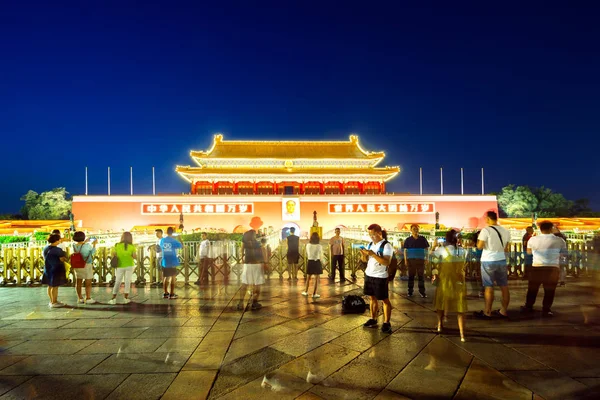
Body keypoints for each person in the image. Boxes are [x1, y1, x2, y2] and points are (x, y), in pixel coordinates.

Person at [521, 221, 568, 317]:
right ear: (551, 229)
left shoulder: (533, 240)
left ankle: (529, 306)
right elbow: (563, 254)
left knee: (533, 289)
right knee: (549, 290)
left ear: (540, 229)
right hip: (552, 268)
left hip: (537, 266)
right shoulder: (560, 240)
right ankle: (546, 309)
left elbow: (529, 253)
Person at [431, 229, 467, 342]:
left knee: (440, 302)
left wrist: (433, 246)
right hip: (459, 281)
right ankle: (462, 334)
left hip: (445, 280)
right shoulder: (462, 251)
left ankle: (439, 325)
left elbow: (433, 261)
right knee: (460, 307)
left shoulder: (442, 250)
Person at [474, 211, 511, 319]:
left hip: (488, 260)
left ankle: (487, 312)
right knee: (504, 286)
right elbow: (506, 248)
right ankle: (503, 311)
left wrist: (478, 243)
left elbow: (480, 246)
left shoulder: (486, 230)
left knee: (489, 286)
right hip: (501, 260)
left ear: (488, 218)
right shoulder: (505, 231)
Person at [361, 224, 393, 334]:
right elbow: (365, 261)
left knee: (384, 300)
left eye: (373, 234)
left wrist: (373, 254)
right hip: (369, 274)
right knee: (371, 298)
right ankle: (373, 319)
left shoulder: (386, 245)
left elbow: (386, 262)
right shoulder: (370, 244)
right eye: (369, 234)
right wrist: (364, 255)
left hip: (380, 276)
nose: (371, 237)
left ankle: (386, 323)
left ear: (379, 233)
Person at [238, 228, 264, 310]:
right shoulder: (257, 243)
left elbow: (241, 250)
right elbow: (261, 251)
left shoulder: (245, 240)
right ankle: (254, 302)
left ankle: (240, 302)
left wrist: (242, 258)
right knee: (257, 284)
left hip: (248, 264)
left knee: (245, 283)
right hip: (256, 264)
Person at [109, 232, 137, 304]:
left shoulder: (117, 245)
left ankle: (113, 298)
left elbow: (113, 254)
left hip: (120, 266)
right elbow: (134, 256)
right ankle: (126, 298)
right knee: (127, 281)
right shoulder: (132, 246)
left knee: (118, 281)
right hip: (130, 265)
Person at [403, 224, 429, 298]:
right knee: (411, 276)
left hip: (421, 260)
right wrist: (405, 260)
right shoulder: (408, 240)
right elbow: (405, 250)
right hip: (411, 261)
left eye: (417, 229)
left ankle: (422, 292)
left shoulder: (423, 239)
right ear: (411, 230)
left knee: (421, 277)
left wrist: (427, 258)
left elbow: (426, 249)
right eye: (414, 229)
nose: (416, 230)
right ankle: (410, 292)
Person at [42, 234, 68, 308]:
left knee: (50, 285)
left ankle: (52, 300)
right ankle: (54, 302)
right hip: (56, 269)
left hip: (48, 268)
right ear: (57, 241)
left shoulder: (46, 248)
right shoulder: (57, 250)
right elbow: (62, 258)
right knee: (55, 286)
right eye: (59, 239)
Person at [72, 231, 97, 304]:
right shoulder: (87, 246)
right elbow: (92, 252)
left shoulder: (74, 245)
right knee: (88, 282)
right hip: (86, 265)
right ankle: (88, 298)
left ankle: (80, 298)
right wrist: (94, 245)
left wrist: (85, 241)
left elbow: (80, 248)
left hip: (77, 265)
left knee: (78, 281)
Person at [159, 227, 183, 299]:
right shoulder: (173, 241)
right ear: (172, 232)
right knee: (173, 277)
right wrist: (180, 238)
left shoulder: (162, 240)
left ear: (166, 232)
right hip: (172, 260)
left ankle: (165, 293)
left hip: (165, 261)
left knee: (166, 277)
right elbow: (181, 246)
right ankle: (172, 293)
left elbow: (161, 247)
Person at [304, 232, 323, 298]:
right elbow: (321, 255)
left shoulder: (308, 245)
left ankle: (306, 291)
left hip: (310, 261)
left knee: (308, 278)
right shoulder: (319, 246)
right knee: (316, 279)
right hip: (317, 261)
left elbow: (307, 253)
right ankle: (314, 293)